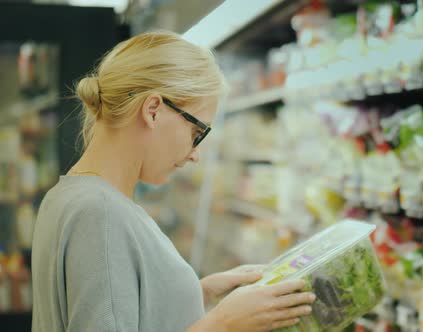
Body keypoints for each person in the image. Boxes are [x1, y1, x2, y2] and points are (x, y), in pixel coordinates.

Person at [31, 31, 315, 332]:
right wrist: (223, 324)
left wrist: (194, 294)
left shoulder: (67, 196)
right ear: (153, 110)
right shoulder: (99, 212)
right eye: (197, 134)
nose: (195, 155)